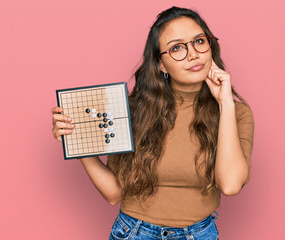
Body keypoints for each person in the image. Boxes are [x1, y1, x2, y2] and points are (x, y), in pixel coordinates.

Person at [51, 6, 254, 240]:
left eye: (199, 41)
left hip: (199, 234)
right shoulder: (130, 110)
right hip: (133, 233)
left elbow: (230, 185)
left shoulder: (236, 113)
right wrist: (78, 141)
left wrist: (225, 103)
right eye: (177, 47)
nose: (193, 54)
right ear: (161, 65)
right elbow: (113, 193)